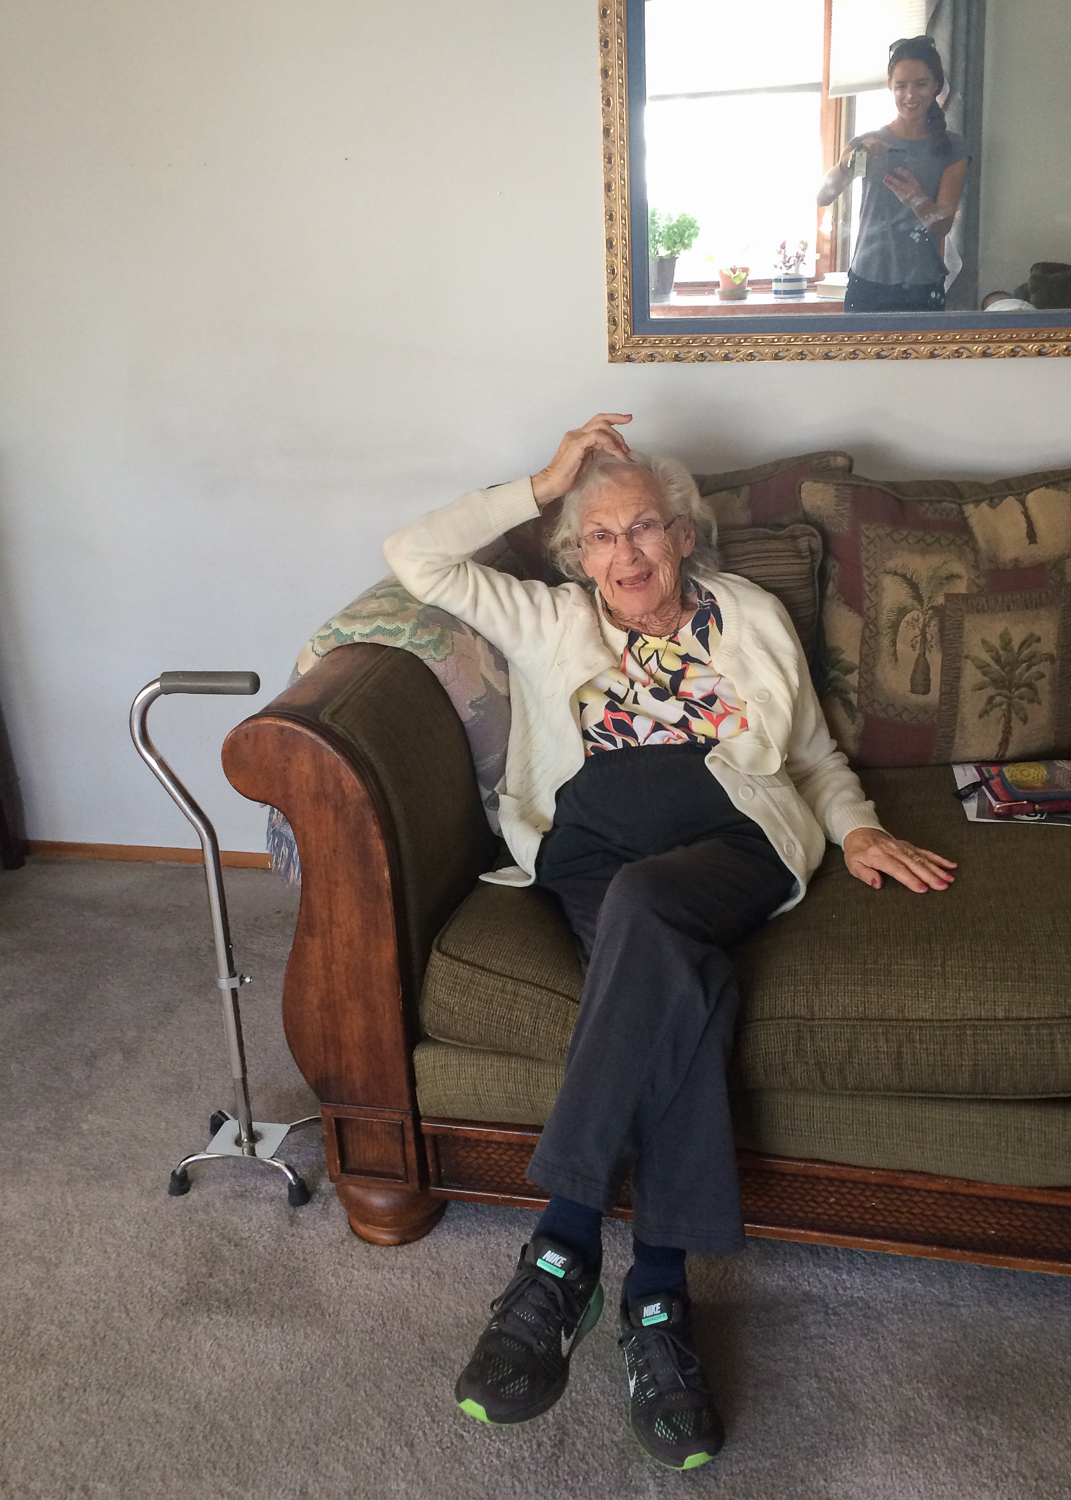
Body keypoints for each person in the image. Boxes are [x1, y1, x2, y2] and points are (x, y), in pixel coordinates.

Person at [383, 413, 956, 1470]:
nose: (625, 553)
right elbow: (414, 556)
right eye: (599, 536)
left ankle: (561, 1251)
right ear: (577, 554)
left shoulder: (751, 617)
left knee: (649, 912)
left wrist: (858, 828)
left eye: (644, 527)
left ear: (684, 535)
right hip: (589, 849)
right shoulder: (549, 618)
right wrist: (543, 482)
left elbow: (812, 756)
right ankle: (655, 1300)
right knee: (684, 985)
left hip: (732, 839)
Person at [818, 36, 969, 313]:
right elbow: (823, 196)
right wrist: (848, 163)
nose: (910, 95)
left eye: (920, 84)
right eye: (901, 86)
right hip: (866, 281)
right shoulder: (865, 143)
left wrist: (916, 199)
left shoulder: (953, 147)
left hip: (923, 285)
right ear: (890, 87)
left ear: (936, 85)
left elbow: (943, 226)